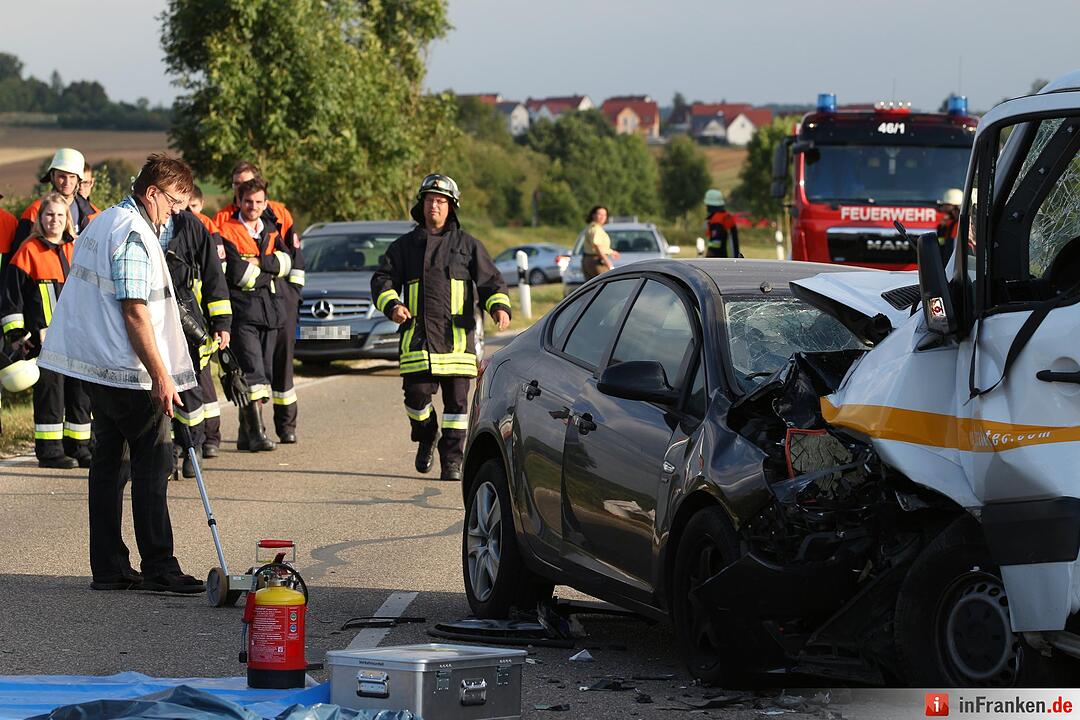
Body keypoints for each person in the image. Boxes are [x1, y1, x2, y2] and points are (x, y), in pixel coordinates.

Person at [38, 153, 205, 594]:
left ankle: (109, 567)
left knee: (109, 467)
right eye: (172, 203)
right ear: (152, 193)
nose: (175, 213)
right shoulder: (134, 234)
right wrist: (161, 375)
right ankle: (160, 567)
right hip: (128, 370)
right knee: (153, 463)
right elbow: (134, 311)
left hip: (100, 368)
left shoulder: (104, 222)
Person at [371, 174, 511, 481]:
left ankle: (452, 462)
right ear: (421, 205)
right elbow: (382, 280)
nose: (434, 206)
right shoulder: (404, 247)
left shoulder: (468, 246)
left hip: (457, 342)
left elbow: (491, 282)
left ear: (451, 207)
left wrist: (498, 306)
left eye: (441, 201)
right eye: (430, 200)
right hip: (418, 340)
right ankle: (426, 433)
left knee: (457, 407)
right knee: (416, 398)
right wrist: (393, 305)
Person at [215, 161, 304, 444]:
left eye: (250, 187)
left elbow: (291, 258)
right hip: (245, 307)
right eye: (238, 186)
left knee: (274, 368)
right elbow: (233, 270)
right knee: (252, 369)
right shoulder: (223, 222)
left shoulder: (275, 218)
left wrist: (292, 292)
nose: (249, 199)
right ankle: (254, 431)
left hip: (278, 304)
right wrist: (268, 270)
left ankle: (275, 428)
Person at [2, 192, 91, 468]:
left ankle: (79, 447)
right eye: (49, 215)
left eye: (60, 215)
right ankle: (50, 451)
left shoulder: (77, 250)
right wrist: (17, 334)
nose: (54, 220)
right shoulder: (28, 252)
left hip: (76, 337)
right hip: (45, 341)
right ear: (40, 219)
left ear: (68, 220)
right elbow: (11, 298)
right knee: (50, 395)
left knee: (80, 395)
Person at [163, 199, 232, 477]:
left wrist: (221, 322)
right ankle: (164, 453)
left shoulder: (192, 226)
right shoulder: (136, 222)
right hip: (147, 313)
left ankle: (193, 446)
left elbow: (214, 275)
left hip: (186, 314)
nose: (175, 204)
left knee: (189, 385)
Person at [187, 186, 227, 457]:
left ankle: (209, 436)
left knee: (204, 379)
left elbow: (216, 274)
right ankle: (190, 442)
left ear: (200, 205)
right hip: (185, 313)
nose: (188, 212)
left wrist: (220, 322)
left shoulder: (205, 230)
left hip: (202, 315)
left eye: (193, 207)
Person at [12, 149, 99, 256]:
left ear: (78, 179)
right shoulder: (34, 212)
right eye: (62, 176)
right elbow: (17, 261)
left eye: (72, 177)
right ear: (52, 176)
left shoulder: (95, 215)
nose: (67, 183)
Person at [581, 205, 618, 280]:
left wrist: (611, 252)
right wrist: (607, 262)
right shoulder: (596, 229)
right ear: (593, 215)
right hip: (596, 261)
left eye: (605, 215)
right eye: (600, 214)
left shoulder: (591, 227)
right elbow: (597, 246)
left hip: (588, 259)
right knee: (607, 283)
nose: (602, 217)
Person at [704, 188, 739, 258]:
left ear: (710, 205)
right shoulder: (727, 217)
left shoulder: (717, 220)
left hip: (722, 260)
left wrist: (706, 259)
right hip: (732, 258)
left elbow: (715, 244)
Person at [937, 187, 962, 261]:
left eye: (946, 204)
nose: (943, 207)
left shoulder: (960, 225)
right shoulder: (949, 224)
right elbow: (942, 244)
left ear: (955, 206)